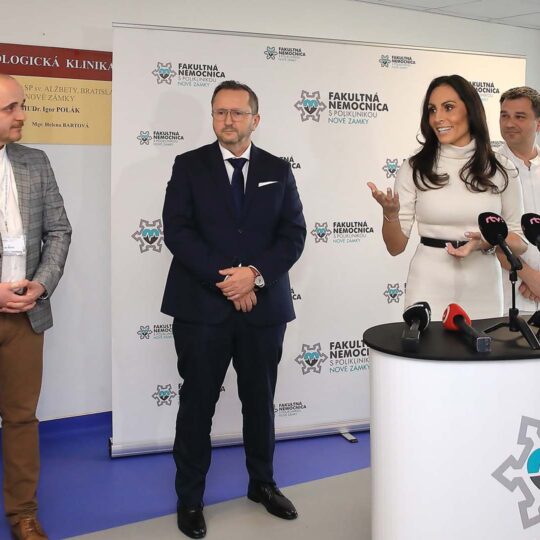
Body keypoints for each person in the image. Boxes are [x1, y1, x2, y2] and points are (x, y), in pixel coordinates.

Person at [161, 80, 306, 539]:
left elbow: (293, 234)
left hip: (263, 309)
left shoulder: (278, 169)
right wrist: (229, 280)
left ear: (255, 120)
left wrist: (255, 276)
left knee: (260, 403)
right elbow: (177, 231)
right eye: (220, 112)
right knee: (197, 405)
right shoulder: (188, 165)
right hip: (202, 307)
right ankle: (189, 499)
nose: (228, 120)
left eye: (237, 113)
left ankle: (262, 484)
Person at [368, 74, 526, 320]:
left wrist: (485, 241)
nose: (437, 118)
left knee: (483, 345)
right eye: (432, 110)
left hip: (483, 289)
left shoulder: (501, 168)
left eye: (448, 107)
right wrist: (391, 215)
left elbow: (520, 242)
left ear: (470, 110)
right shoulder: (414, 168)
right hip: (428, 288)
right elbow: (395, 247)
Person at [0, 74, 71, 540]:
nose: (22, 115)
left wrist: (41, 284)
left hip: (26, 317)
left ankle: (23, 513)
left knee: (22, 417)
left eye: (21, 105)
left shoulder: (35, 162)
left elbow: (59, 231)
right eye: (11, 108)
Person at [497, 86, 540, 312]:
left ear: (538, 124)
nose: (509, 123)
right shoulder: (488, 169)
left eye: (519, 117)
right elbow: (490, 237)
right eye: (505, 116)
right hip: (508, 298)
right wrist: (530, 276)